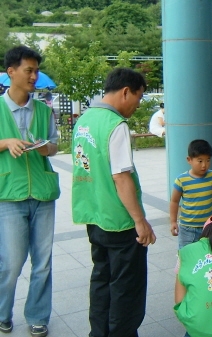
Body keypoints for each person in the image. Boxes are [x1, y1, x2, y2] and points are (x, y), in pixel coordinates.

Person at [71, 67, 156, 337]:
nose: (138, 104)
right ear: (125, 92)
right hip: (119, 222)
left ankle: (98, 333)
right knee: (125, 289)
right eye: (139, 98)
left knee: (102, 281)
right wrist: (140, 221)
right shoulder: (115, 125)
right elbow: (121, 177)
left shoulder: (84, 120)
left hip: (93, 216)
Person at [0, 45, 60, 337]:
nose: (34, 76)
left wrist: (45, 147)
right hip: (9, 194)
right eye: (29, 70)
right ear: (11, 72)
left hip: (43, 194)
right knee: (10, 263)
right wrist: (5, 142)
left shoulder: (44, 109)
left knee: (43, 261)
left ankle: (38, 316)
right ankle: (2, 312)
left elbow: (53, 144)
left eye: (37, 70)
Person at [170, 139, 212, 249]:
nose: (204, 165)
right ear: (189, 160)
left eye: (208, 160)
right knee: (188, 257)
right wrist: (173, 221)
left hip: (210, 225)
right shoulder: (182, 180)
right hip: (188, 228)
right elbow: (174, 201)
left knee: (210, 256)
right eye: (200, 161)